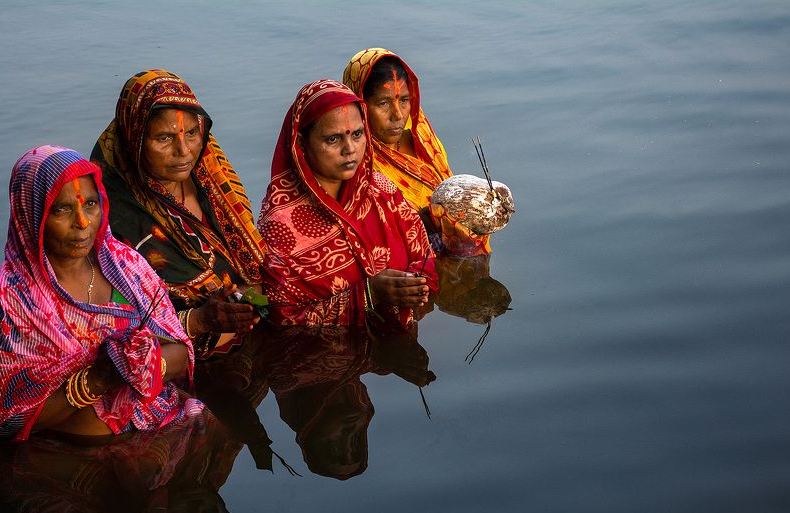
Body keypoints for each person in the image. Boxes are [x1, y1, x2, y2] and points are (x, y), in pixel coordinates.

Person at [0, 145, 201, 441]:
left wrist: (143, 363)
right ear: (31, 215)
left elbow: (180, 350)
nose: (82, 222)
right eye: (62, 209)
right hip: (74, 455)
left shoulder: (126, 267)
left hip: (164, 419)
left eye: (90, 204)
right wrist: (98, 379)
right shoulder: (8, 304)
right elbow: (7, 421)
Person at [93, 70, 267, 357]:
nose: (183, 150)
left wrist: (248, 302)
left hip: (249, 350)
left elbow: (253, 263)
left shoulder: (212, 176)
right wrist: (198, 321)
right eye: (164, 138)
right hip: (172, 372)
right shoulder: (112, 217)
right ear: (134, 140)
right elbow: (115, 328)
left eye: (192, 133)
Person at [257, 79, 438, 329]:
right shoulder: (281, 226)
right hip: (335, 358)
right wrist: (368, 295)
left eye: (357, 134)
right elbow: (281, 319)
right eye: (333, 139)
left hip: (396, 347)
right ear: (301, 143)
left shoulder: (379, 190)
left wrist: (416, 287)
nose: (350, 149)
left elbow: (421, 248)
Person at [343, 47, 491, 256]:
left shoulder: (421, 136)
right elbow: (368, 236)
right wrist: (425, 218)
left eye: (404, 100)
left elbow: (448, 185)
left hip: (456, 249)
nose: (397, 115)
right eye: (383, 103)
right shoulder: (354, 161)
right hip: (406, 270)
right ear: (360, 105)